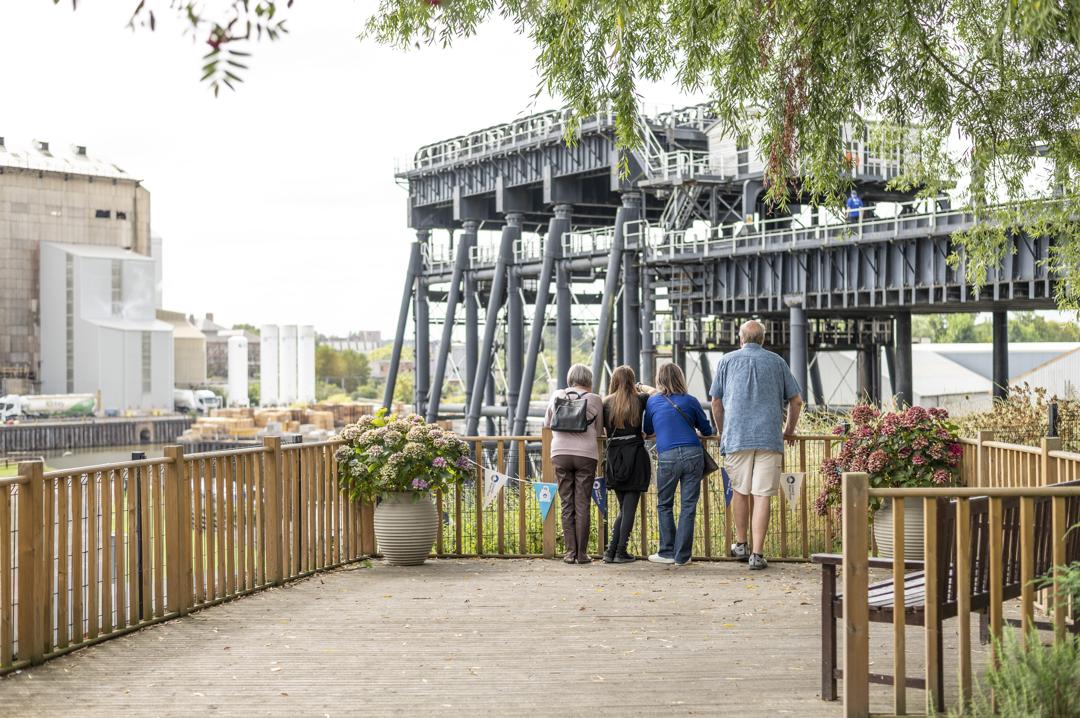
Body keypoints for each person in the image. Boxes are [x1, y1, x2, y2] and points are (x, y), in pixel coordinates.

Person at [709, 320, 803, 570]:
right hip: (769, 439)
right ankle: (757, 554)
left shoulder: (726, 362)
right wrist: (789, 431)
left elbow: (716, 401)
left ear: (740, 339)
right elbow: (796, 401)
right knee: (762, 495)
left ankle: (741, 544)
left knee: (740, 491)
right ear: (763, 339)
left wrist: (721, 431)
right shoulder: (777, 362)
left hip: (736, 438)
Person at [643, 363, 714, 566]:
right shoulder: (691, 401)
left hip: (668, 455)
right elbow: (707, 430)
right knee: (688, 506)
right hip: (693, 453)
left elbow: (648, 429)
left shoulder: (653, 401)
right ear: (680, 378)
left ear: (659, 379)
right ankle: (682, 557)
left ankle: (666, 552)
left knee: (665, 504)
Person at [544, 363, 605, 564]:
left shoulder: (557, 395)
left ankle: (570, 553)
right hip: (586, 455)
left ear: (570, 378)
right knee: (582, 504)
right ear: (588, 380)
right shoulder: (594, 399)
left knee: (566, 503)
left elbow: (547, 424)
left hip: (560, 453)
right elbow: (598, 430)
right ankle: (582, 554)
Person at [601, 365, 652, 564]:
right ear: (632, 381)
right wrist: (641, 386)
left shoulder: (605, 403)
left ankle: (611, 550)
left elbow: (603, 432)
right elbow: (657, 392)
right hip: (635, 455)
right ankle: (619, 551)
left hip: (614, 456)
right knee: (628, 507)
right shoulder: (640, 399)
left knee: (624, 507)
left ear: (613, 381)